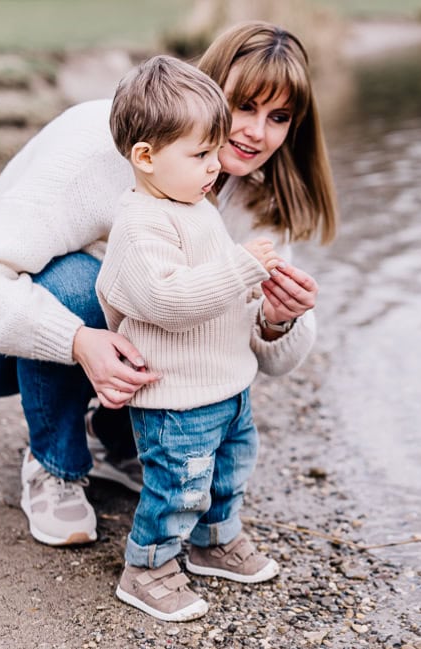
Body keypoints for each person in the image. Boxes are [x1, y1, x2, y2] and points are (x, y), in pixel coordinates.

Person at [0, 20, 334, 548]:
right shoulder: (100, 146)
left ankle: (115, 443)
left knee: (191, 302)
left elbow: (270, 358)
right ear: (210, 87)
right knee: (91, 281)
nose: (256, 132)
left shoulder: (259, 197)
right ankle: (54, 466)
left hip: (59, 323)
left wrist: (277, 320)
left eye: (279, 118)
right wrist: (75, 341)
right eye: (244, 106)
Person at [96, 54, 310, 622]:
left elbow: (220, 294)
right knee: (177, 486)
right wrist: (241, 270)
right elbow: (168, 301)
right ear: (145, 157)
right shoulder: (141, 224)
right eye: (200, 154)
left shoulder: (194, 205)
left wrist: (267, 306)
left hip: (226, 386)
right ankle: (148, 568)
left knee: (228, 471)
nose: (216, 165)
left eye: (215, 151)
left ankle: (215, 540)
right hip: (176, 398)